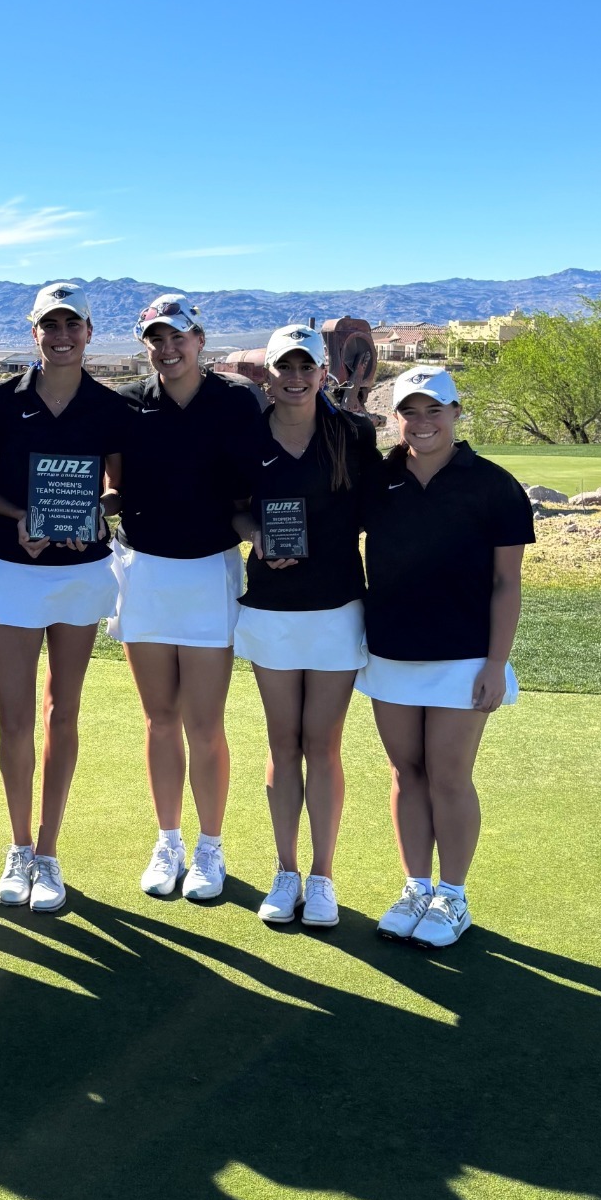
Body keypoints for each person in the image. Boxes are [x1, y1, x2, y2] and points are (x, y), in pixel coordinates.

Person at [356, 364, 535, 948]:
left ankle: (452, 898)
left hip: (463, 655)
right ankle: (415, 887)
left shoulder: (494, 484)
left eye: (435, 409)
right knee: (406, 774)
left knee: (450, 777)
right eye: (411, 410)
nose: (423, 421)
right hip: (390, 651)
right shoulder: (377, 479)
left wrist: (494, 662)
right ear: (396, 418)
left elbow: (507, 583)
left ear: (457, 414)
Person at [0, 283, 127, 913]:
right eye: (49, 325)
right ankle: (18, 848)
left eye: (72, 324)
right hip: (15, 568)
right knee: (14, 717)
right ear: (33, 332)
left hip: (82, 572)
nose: (61, 335)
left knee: (62, 712)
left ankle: (49, 851)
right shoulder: (2, 400)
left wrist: (96, 514)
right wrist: (22, 518)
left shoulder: (109, 406)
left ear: (88, 332)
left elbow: (120, 491)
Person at [113, 294, 261, 903]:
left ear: (199, 339)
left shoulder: (236, 402)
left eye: (178, 337)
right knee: (159, 718)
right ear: (145, 345)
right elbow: (113, 483)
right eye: (156, 339)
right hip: (144, 569)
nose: (167, 349)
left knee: (204, 722)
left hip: (210, 571)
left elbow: (257, 486)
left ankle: (210, 846)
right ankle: (168, 838)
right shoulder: (129, 407)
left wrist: (266, 534)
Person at [232, 325, 379, 928]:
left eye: (306, 368)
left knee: (322, 746)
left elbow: (378, 511)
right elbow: (235, 508)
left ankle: (322, 877)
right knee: (282, 743)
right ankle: (285, 870)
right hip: (270, 609)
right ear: (267, 374)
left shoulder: (350, 433)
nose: (294, 379)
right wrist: (257, 536)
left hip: (337, 608)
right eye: (283, 368)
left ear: (325, 374)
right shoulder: (248, 437)